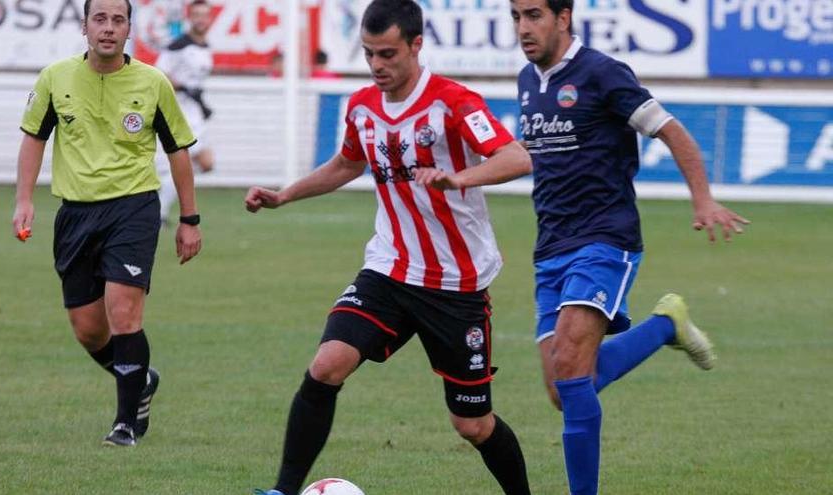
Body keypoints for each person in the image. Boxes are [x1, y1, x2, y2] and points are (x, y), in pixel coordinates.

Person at [248, 1, 534, 494]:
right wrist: (285, 194)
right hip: (389, 270)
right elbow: (345, 164)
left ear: (416, 46)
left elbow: (516, 157)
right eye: (369, 54)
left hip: (454, 284)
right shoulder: (363, 106)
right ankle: (284, 491)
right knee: (326, 365)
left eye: (388, 54)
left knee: (473, 424)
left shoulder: (454, 101)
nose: (377, 65)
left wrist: (457, 177)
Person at [510, 0, 750, 493]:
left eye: (533, 14)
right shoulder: (527, 82)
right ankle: (665, 327)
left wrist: (702, 199)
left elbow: (671, 130)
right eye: (515, 16)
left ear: (563, 16)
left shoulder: (602, 73)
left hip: (604, 238)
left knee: (574, 370)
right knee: (565, 387)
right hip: (551, 245)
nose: (522, 27)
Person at [12, 0, 202, 447]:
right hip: (75, 213)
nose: (109, 28)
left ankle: (125, 423)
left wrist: (189, 219)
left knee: (123, 312)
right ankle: (142, 379)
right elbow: (33, 139)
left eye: (118, 20)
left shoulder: (153, 83)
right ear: (84, 26)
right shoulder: (55, 78)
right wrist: (24, 199)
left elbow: (178, 152)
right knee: (89, 329)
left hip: (133, 208)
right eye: (100, 18)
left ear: (129, 29)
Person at [154, 0, 215, 224]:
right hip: (180, 111)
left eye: (204, 15)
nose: (201, 19)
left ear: (209, 19)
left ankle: (160, 195)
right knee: (196, 162)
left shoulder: (206, 46)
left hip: (195, 112)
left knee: (203, 164)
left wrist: (201, 103)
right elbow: (159, 73)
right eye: (196, 14)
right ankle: (159, 209)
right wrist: (182, 87)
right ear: (190, 17)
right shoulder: (178, 45)